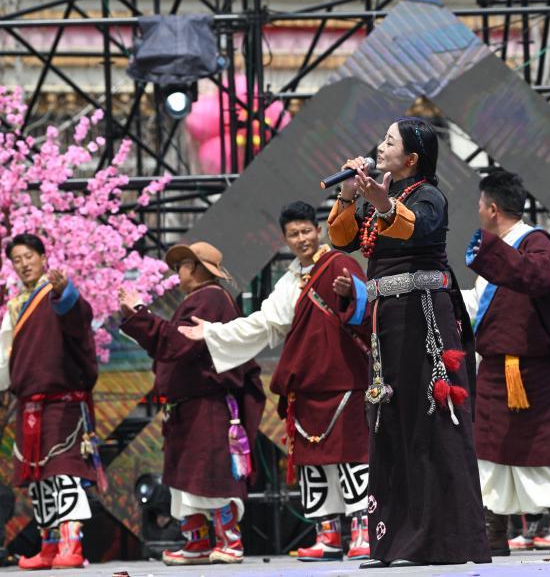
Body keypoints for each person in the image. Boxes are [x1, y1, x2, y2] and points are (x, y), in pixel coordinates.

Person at [328, 117, 490, 567]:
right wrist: (349, 194)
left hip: (423, 317)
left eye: (389, 142)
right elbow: (342, 240)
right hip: (388, 321)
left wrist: (382, 204)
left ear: (412, 158)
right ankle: (395, 541)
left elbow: (414, 229)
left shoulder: (429, 196)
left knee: (429, 422)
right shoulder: (385, 195)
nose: (379, 147)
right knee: (390, 421)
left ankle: (440, 540)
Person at [177, 202, 372, 562]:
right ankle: (327, 536)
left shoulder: (340, 264)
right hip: (306, 388)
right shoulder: (288, 282)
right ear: (284, 239)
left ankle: (363, 532)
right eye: (293, 234)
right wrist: (213, 332)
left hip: (344, 381)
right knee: (313, 464)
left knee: (353, 459)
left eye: (306, 231)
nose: (301, 239)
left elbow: (369, 312)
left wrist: (351, 295)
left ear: (319, 231)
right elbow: (264, 323)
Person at [460, 170, 550, 555]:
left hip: (532, 371)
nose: (478, 211)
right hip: (493, 369)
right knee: (490, 453)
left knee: (546, 448)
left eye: (480, 205)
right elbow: (479, 307)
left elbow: (539, 278)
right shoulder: (500, 252)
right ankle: (495, 530)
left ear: (493, 209)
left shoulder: (536, 243)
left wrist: (494, 254)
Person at [119, 242, 265, 565]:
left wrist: (142, 313)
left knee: (211, 473)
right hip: (189, 406)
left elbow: (177, 343)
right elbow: (173, 342)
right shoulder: (201, 299)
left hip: (208, 404)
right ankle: (196, 543)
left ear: (197, 268)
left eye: (181, 265)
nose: (177, 272)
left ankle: (229, 540)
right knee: (186, 478)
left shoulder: (211, 298)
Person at [0, 234, 98, 570]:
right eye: (17, 259)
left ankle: (72, 545)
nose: (23, 264)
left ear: (43, 258)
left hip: (61, 401)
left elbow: (79, 317)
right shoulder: (16, 305)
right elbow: (5, 356)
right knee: (38, 478)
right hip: (29, 403)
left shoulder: (56, 294)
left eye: (29, 256)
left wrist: (64, 292)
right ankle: (49, 546)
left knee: (63, 472)